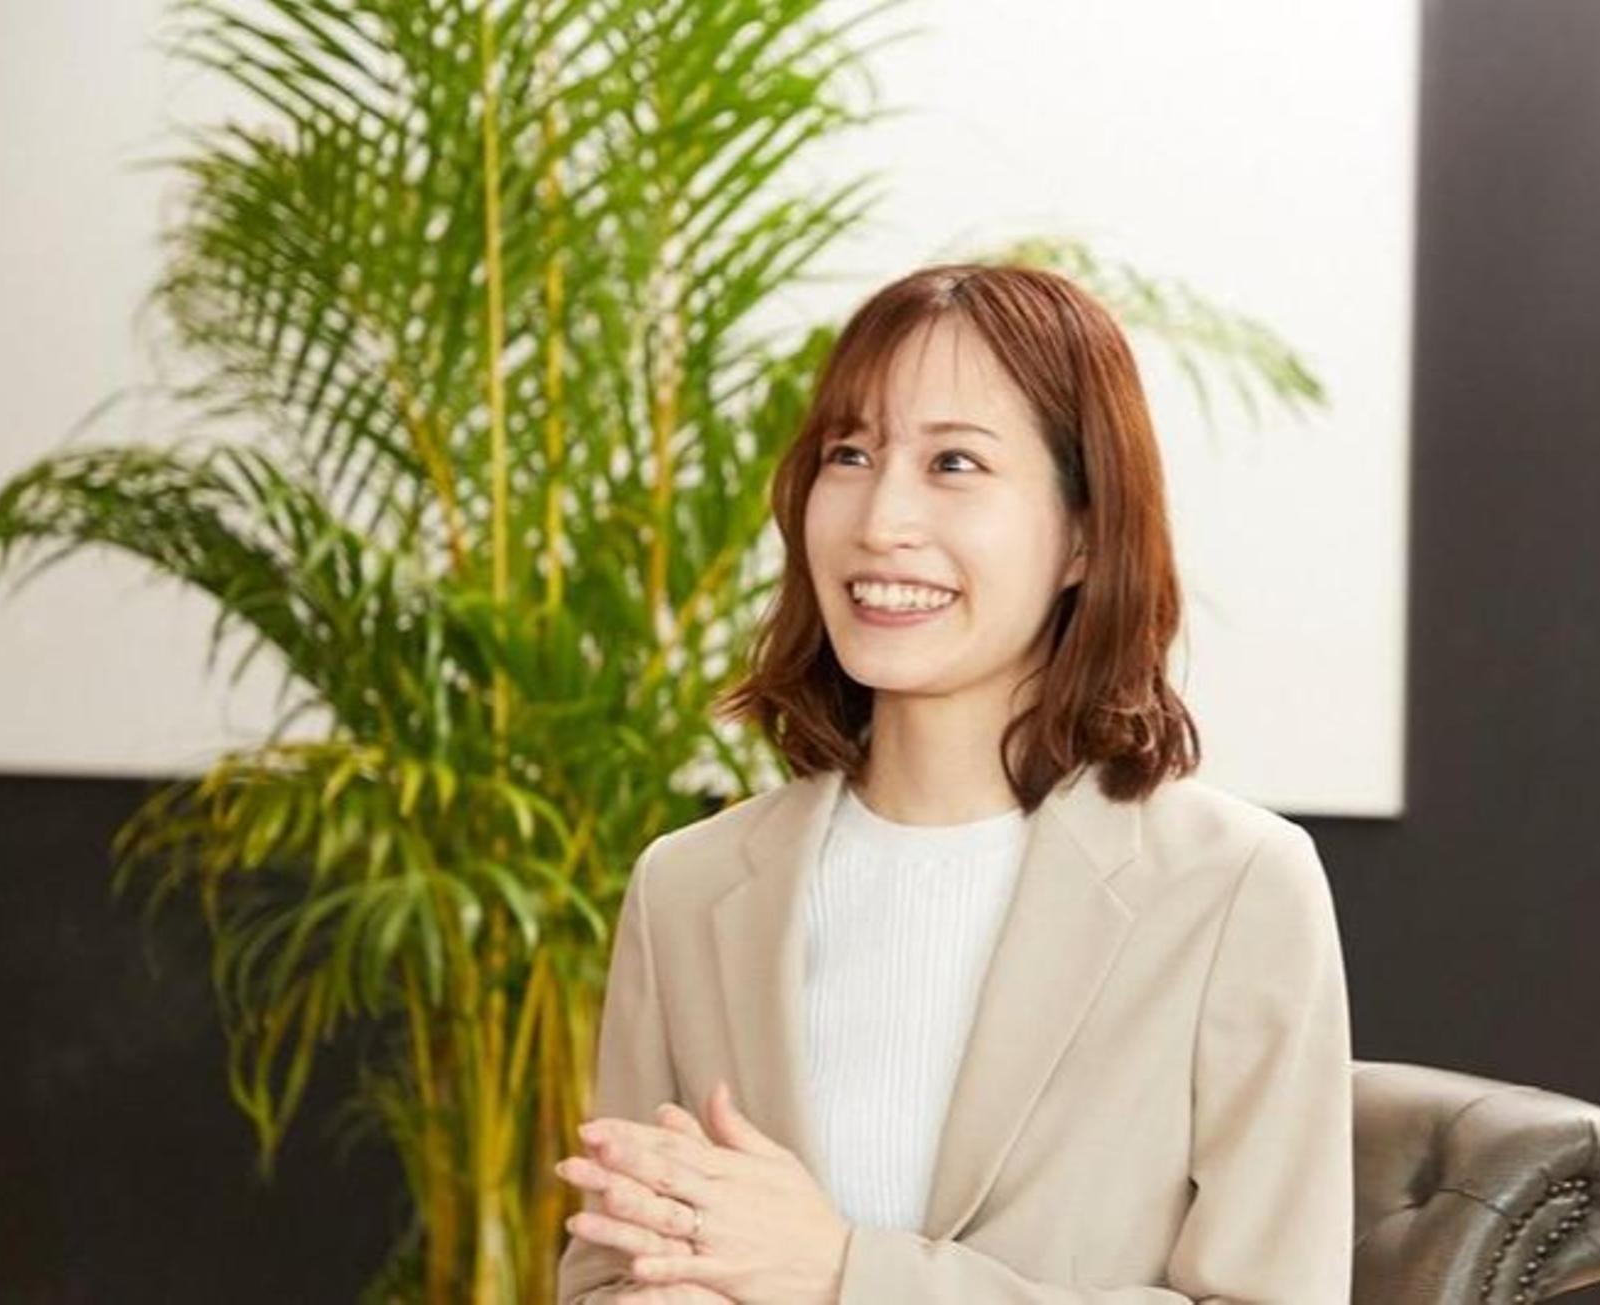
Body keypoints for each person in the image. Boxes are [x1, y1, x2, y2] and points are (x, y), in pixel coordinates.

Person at [554, 263, 1354, 1303]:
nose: (881, 518)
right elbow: (608, 1271)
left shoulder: (1234, 886)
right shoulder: (687, 886)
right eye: (850, 454)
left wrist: (848, 1275)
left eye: (954, 463)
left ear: (1083, 534)